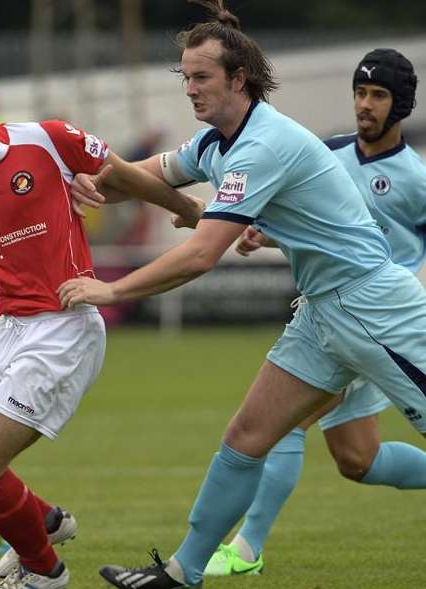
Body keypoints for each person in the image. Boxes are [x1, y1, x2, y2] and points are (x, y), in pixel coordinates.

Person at [62, 2, 426, 587]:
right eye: (185, 76)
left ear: (239, 80)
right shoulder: (218, 143)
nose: (190, 88)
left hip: (375, 307)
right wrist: (79, 178)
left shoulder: (263, 145)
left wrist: (112, 287)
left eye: (201, 76)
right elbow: (148, 172)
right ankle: (182, 573)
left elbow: (204, 253)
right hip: (323, 314)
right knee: (248, 437)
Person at [0, 50, 202, 589]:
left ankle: (44, 573)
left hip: (65, 327)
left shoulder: (47, 139)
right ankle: (44, 521)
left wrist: (190, 211)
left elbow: (121, 175)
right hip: (7, 330)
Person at [204, 47, 426, 577]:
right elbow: (309, 224)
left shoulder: (416, 178)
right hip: (335, 316)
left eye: (377, 95)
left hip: (381, 321)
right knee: (358, 460)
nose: (364, 104)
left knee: (284, 424)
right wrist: (265, 232)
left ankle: (246, 550)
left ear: (400, 105)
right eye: (359, 92)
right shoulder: (325, 153)